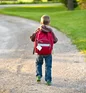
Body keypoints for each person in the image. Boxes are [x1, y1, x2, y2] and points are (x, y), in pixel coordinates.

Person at [30, 15, 58, 86]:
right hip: (48, 52)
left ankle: (38, 75)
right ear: (49, 23)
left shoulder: (38, 30)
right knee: (48, 66)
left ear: (41, 22)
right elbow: (55, 40)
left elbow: (32, 38)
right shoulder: (50, 31)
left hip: (39, 51)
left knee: (38, 63)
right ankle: (48, 80)